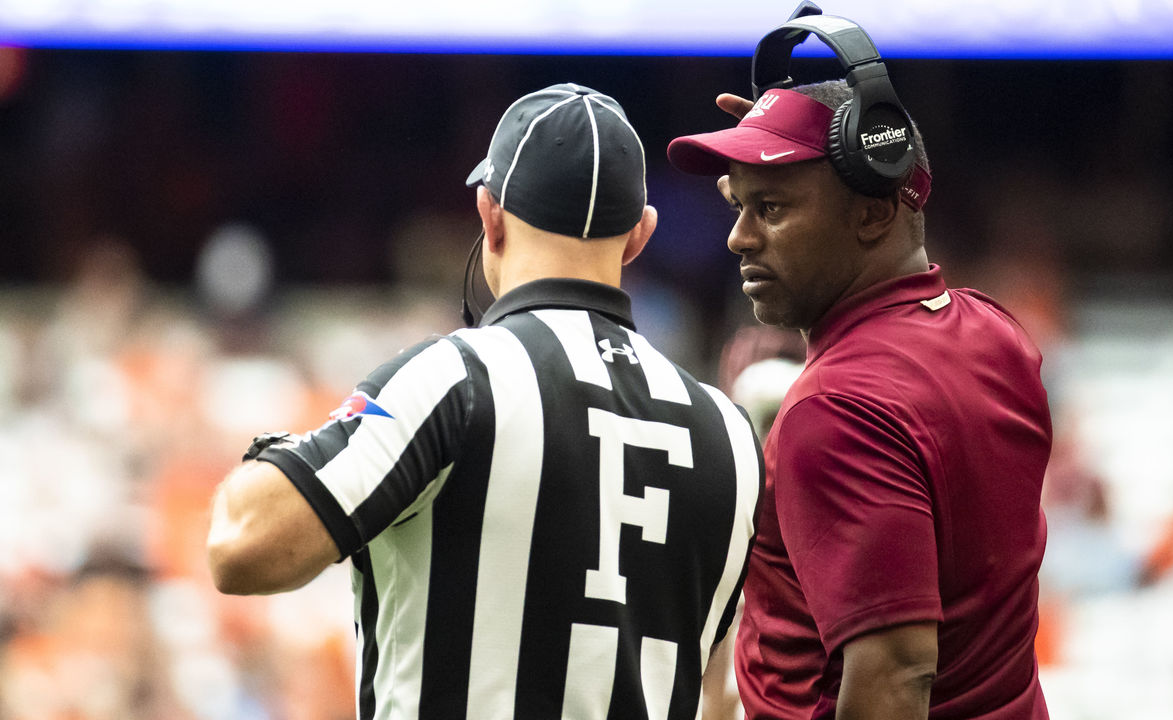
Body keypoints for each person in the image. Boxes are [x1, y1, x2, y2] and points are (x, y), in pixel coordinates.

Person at [207, 82, 762, 720]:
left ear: (489, 216)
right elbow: (721, 695)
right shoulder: (732, 434)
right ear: (640, 235)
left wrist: (302, 447)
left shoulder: (453, 379)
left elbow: (240, 546)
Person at [666, 11, 1053, 720]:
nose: (738, 238)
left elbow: (895, 677)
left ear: (874, 214)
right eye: (738, 204)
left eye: (771, 208)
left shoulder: (835, 409)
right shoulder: (997, 334)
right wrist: (786, 137)